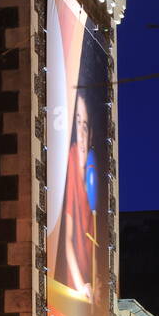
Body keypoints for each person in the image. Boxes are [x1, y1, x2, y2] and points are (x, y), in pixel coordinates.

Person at [54, 88, 96, 302]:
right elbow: (68, 240)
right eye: (77, 123)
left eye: (85, 126)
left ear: (90, 136)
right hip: (74, 289)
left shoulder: (92, 177)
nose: (81, 132)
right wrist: (81, 286)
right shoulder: (69, 164)